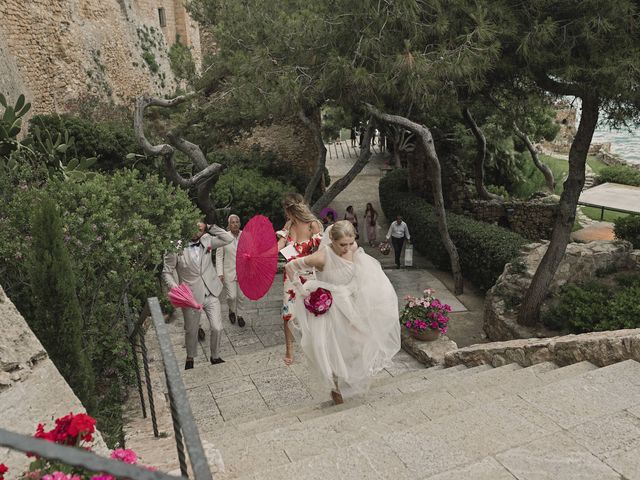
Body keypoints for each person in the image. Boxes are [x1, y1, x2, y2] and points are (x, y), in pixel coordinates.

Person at [285, 220, 401, 404]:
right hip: (331, 308)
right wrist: (302, 290)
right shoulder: (321, 257)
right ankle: (335, 389)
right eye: (342, 245)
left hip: (351, 303)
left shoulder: (352, 247)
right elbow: (289, 267)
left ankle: (352, 378)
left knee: (359, 342)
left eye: (350, 243)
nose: (347, 249)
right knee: (331, 349)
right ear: (331, 239)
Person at [163, 221, 234, 370]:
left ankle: (215, 356)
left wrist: (210, 227)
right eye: (194, 229)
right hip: (190, 296)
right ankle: (190, 357)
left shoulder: (207, 240)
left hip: (211, 292)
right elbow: (167, 272)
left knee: (217, 328)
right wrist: (176, 289)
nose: (197, 233)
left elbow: (228, 239)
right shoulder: (175, 246)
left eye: (200, 230)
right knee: (191, 330)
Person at [277, 193, 323, 365]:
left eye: (286, 211)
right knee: (287, 313)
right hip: (289, 276)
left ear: (290, 210)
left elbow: (321, 250)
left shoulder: (313, 224)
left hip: (309, 274)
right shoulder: (288, 225)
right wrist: (262, 254)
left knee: (314, 311)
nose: (285, 215)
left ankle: (317, 346)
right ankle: (289, 349)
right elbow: (280, 245)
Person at [215, 214, 247, 328]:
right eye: (232, 222)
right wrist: (220, 273)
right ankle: (231, 310)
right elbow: (219, 257)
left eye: (237, 222)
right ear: (229, 225)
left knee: (241, 296)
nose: (235, 224)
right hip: (229, 271)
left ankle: (240, 315)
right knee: (231, 296)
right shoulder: (224, 237)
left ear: (240, 223)